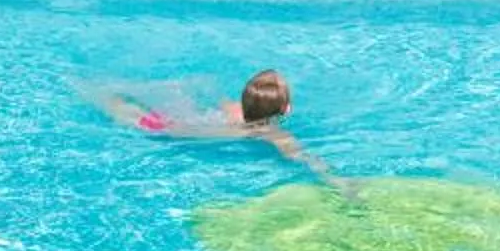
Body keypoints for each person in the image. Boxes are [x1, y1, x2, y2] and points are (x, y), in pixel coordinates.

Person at [89, 70, 352, 195]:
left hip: (171, 125)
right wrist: (341, 184)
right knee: (123, 111)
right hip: (165, 131)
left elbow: (218, 102)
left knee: (108, 99)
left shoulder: (234, 110)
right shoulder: (272, 134)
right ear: (287, 109)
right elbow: (308, 160)